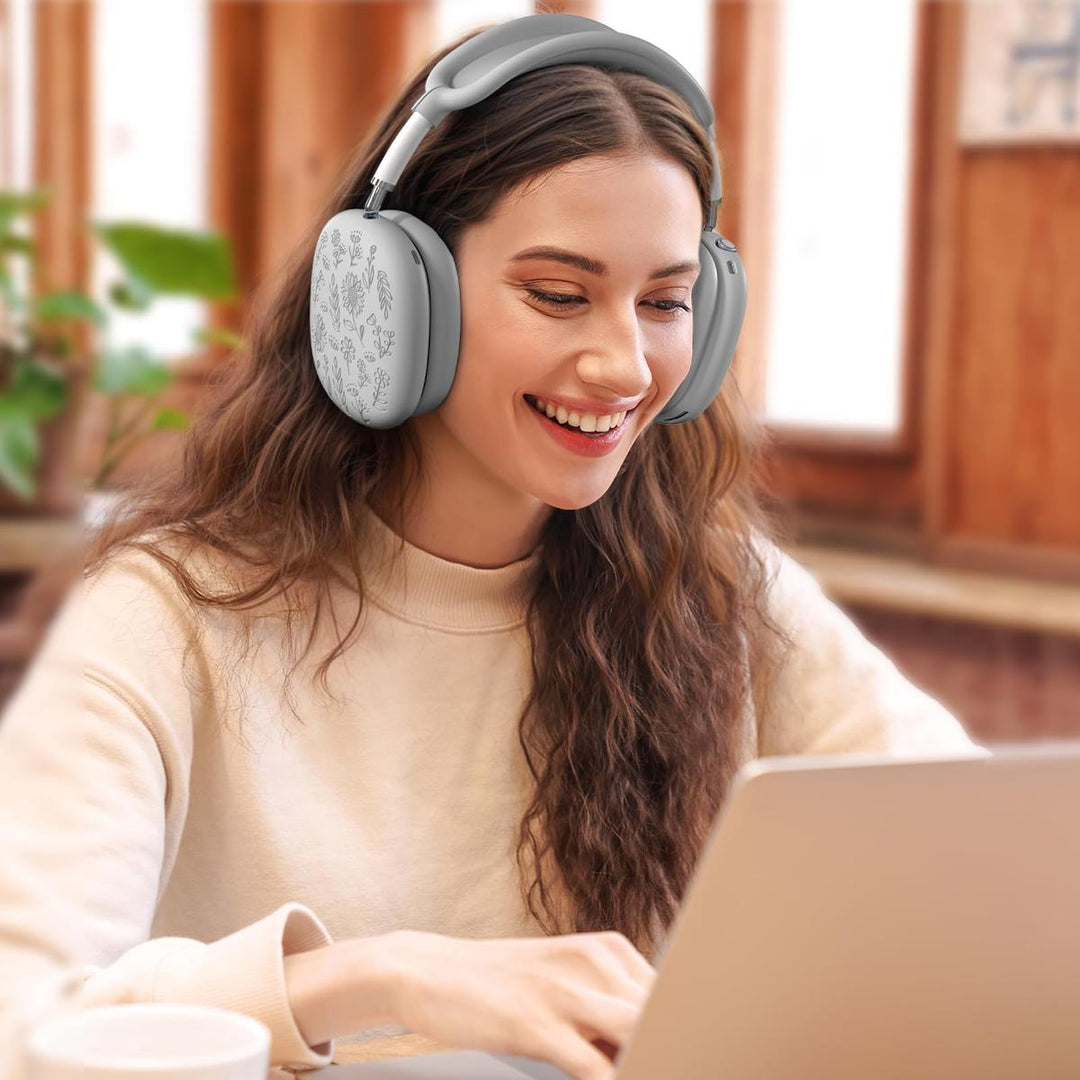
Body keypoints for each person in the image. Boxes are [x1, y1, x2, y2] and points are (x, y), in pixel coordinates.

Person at [0, 23, 983, 1080]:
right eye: (558, 295)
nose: (624, 367)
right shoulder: (163, 616)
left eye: (665, 302)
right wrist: (382, 978)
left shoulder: (720, 591)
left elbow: (985, 858)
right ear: (386, 298)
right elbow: (23, 1022)